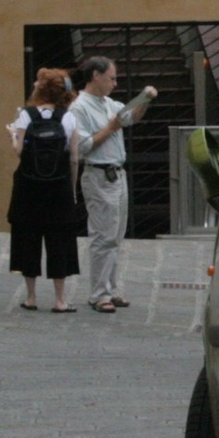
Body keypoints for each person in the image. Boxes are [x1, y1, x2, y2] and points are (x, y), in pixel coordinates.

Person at [64, 55, 157, 313]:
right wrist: (112, 127)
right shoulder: (79, 107)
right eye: (112, 78)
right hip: (98, 175)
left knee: (115, 236)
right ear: (96, 75)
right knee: (102, 236)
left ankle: (112, 289)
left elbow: (129, 117)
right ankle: (99, 294)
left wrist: (145, 100)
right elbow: (82, 147)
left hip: (117, 174)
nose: (115, 83)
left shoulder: (107, 103)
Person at [5, 68, 86, 312]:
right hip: (58, 188)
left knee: (28, 237)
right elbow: (74, 158)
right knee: (59, 240)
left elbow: (19, 151)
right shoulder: (68, 119)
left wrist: (12, 135)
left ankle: (31, 297)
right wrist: (71, 189)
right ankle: (60, 299)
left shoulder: (25, 116)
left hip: (29, 187)